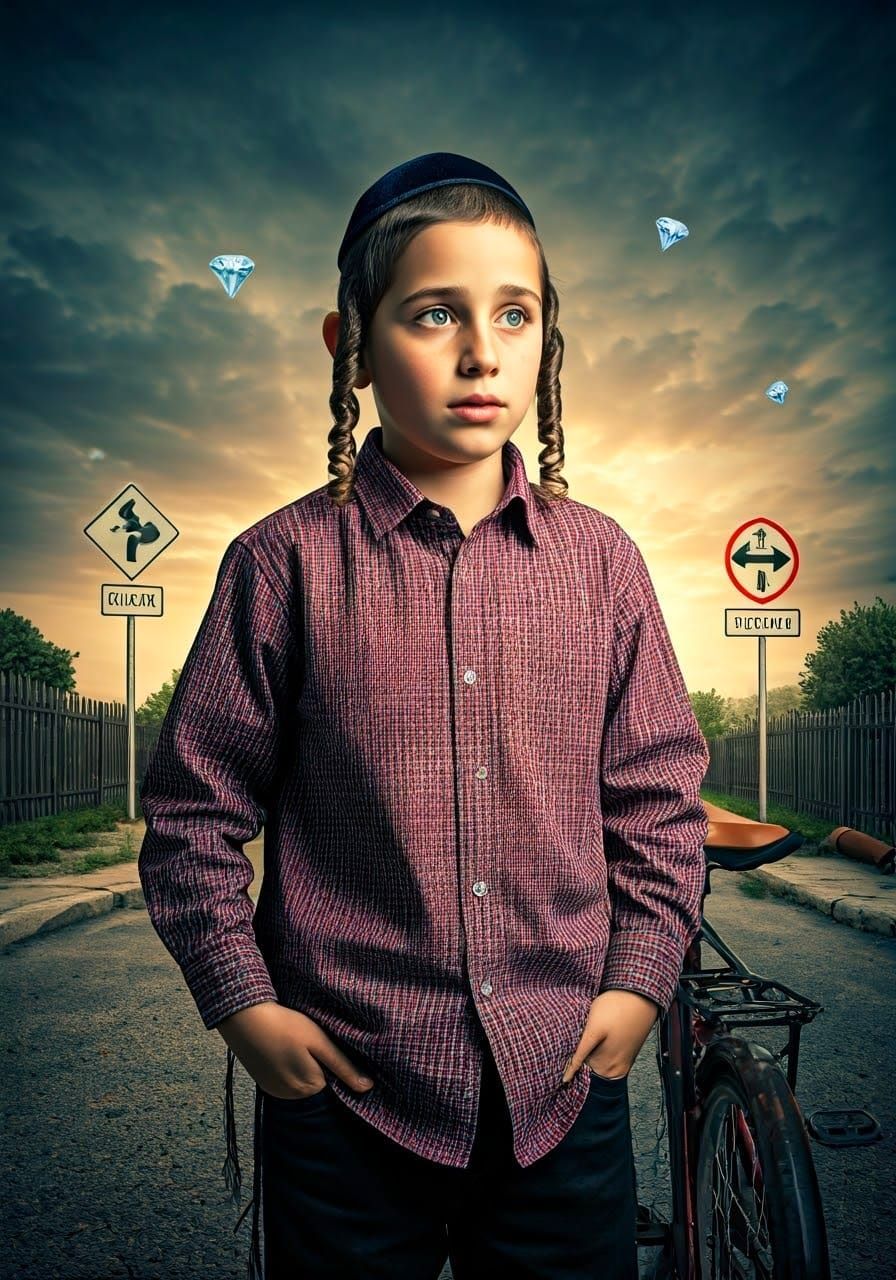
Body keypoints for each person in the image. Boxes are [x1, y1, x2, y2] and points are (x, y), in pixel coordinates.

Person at [138, 151, 710, 1280]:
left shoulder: (603, 564)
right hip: (346, 1096)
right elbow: (192, 814)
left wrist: (640, 978)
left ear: (546, 341)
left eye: (514, 314)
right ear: (349, 343)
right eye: (435, 313)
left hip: (562, 1086)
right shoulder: (280, 564)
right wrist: (243, 1005)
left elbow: (658, 800)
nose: (481, 352)